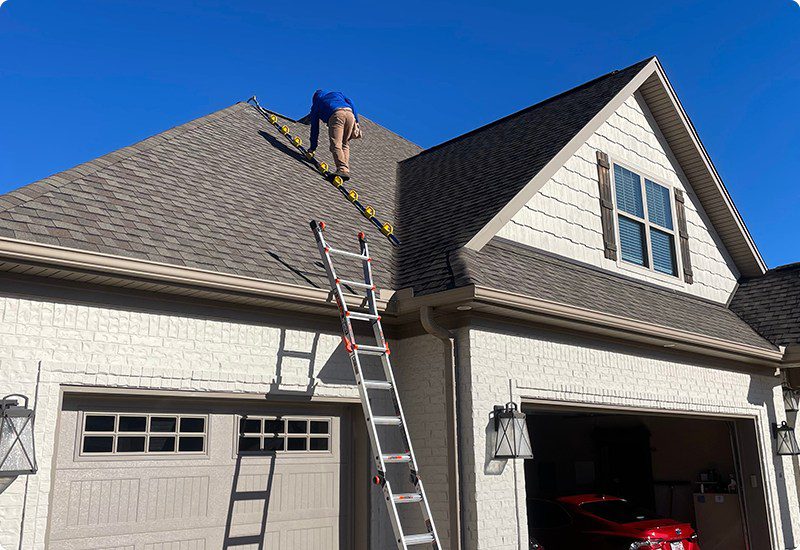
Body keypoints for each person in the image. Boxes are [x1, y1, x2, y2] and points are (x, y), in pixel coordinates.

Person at [306, 90, 361, 180]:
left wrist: (313, 147)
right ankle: (345, 170)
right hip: (350, 114)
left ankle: (342, 169)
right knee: (345, 144)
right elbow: (350, 101)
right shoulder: (337, 94)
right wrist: (357, 121)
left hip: (337, 114)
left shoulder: (317, 104)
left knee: (336, 144)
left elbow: (315, 129)